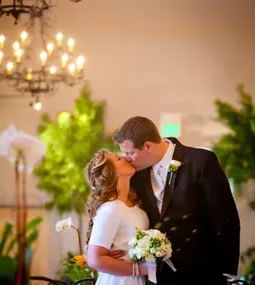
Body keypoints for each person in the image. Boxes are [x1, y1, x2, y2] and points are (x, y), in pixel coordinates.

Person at [113, 116, 240, 285]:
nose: (127, 158)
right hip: (158, 276)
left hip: (202, 273)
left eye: (130, 153)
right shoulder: (135, 175)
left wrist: (223, 271)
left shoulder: (201, 161)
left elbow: (225, 218)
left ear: (148, 146)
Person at [85, 149, 150, 285]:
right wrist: (139, 269)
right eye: (119, 159)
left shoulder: (134, 205)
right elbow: (94, 259)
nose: (126, 158)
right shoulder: (111, 208)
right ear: (113, 173)